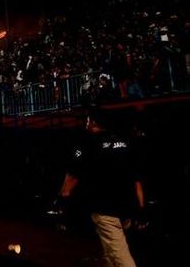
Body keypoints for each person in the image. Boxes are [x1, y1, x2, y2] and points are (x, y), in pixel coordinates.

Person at [59, 108, 146, 267]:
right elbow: (137, 179)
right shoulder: (125, 143)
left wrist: (64, 196)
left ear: (92, 122)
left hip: (105, 209)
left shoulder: (89, 144)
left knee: (120, 255)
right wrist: (141, 207)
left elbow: (72, 176)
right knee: (109, 251)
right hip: (127, 207)